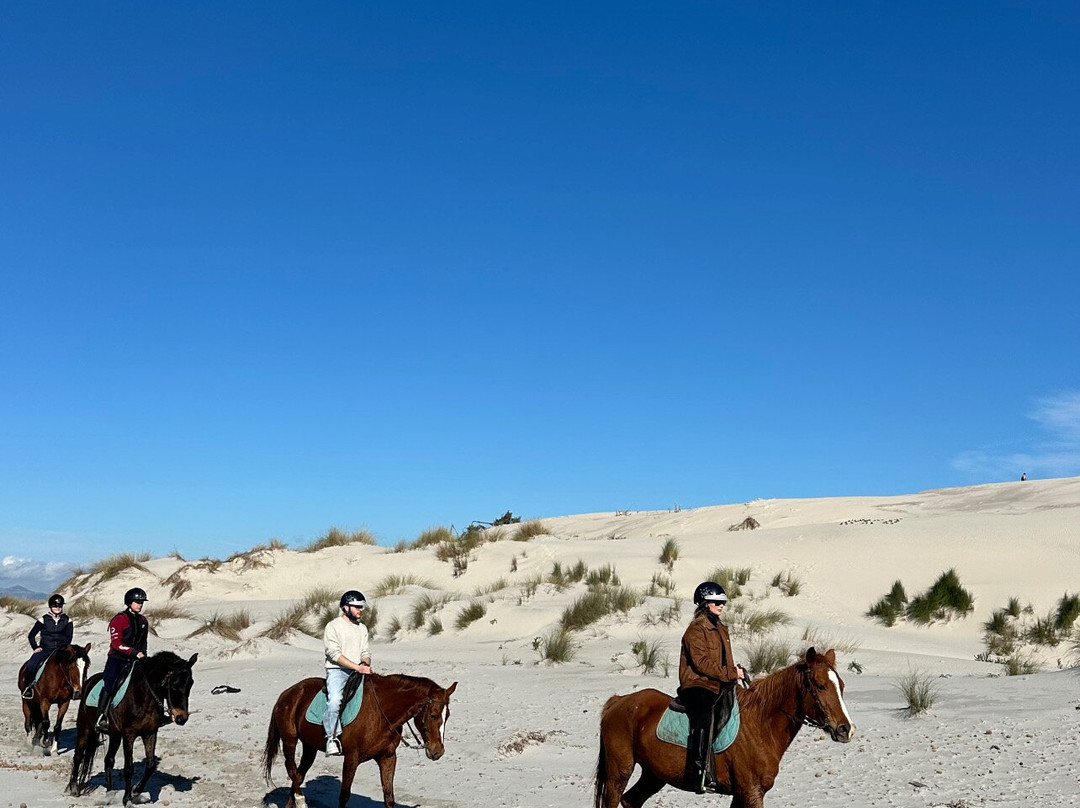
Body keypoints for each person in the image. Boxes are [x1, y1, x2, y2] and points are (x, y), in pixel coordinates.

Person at [678, 581, 747, 794]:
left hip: (719, 682)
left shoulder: (721, 628)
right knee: (705, 713)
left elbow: (724, 660)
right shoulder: (696, 630)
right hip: (698, 683)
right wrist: (730, 673)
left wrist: (735, 673)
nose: (721, 606)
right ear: (705, 603)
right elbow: (702, 663)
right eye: (717, 602)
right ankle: (699, 768)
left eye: (723, 602)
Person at [322, 590, 372, 756]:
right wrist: (356, 667)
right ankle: (332, 738)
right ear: (346, 607)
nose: (360, 610)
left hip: (359, 669)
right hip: (337, 670)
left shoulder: (362, 628)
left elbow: (366, 651)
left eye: (361, 607)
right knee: (335, 700)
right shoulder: (333, 626)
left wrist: (365, 663)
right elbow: (334, 654)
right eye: (357, 607)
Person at [96, 587, 150, 732]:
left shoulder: (143, 621)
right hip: (117, 658)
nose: (140, 604)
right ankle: (101, 716)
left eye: (141, 602)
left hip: (136, 660)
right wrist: (134, 652)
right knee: (110, 681)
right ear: (129, 602)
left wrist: (143, 656)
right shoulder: (119, 620)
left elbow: (143, 642)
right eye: (137, 602)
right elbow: (116, 643)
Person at [23, 594, 74, 695]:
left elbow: (69, 637)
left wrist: (64, 647)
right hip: (45, 649)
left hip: (61, 649)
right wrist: (35, 647)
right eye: (55, 606)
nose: (57, 608)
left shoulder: (67, 620)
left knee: (74, 664)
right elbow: (31, 635)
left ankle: (74, 688)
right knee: (31, 664)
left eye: (59, 606)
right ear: (50, 607)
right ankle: (28, 688)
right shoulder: (43, 619)